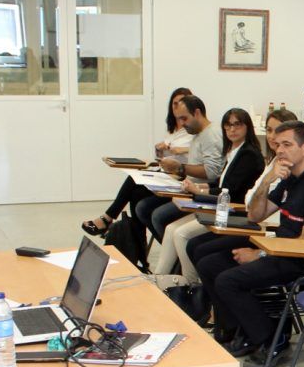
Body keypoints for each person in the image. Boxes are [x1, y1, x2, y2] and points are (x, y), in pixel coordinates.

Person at [195, 121, 304, 367]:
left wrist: (260, 254)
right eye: (278, 145)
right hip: (284, 250)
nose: (280, 150)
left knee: (228, 280)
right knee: (210, 264)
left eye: (287, 145)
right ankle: (242, 332)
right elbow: (255, 215)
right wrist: (267, 181)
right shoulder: (292, 177)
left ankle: (272, 339)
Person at [181, 108, 295, 289]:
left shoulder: (264, 159)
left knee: (199, 250)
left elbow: (247, 201)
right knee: (195, 246)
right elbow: (249, 197)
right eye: (269, 130)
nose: (273, 137)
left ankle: (198, 294)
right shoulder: (272, 161)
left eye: (278, 131)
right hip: (253, 220)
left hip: (262, 229)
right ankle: (201, 296)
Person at [151, 108, 266, 277]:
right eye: (228, 126)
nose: (232, 130)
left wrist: (199, 190)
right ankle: (159, 277)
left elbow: (232, 191)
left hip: (234, 211)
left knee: (181, 234)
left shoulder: (249, 154)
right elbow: (223, 182)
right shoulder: (234, 151)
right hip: (221, 206)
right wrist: (203, 187)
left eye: (237, 125)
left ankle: (191, 283)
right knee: (171, 229)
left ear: (247, 127)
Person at [81, 87, 193, 235]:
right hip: (165, 173)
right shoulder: (172, 130)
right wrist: (161, 150)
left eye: (181, 103)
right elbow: (164, 158)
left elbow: (194, 153)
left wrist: (177, 149)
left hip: (179, 178)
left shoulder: (193, 129)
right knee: (135, 192)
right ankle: (136, 245)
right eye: (175, 103)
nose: (178, 107)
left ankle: (107, 218)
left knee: (134, 181)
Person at [138, 95, 225, 245]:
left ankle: (174, 255)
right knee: (141, 204)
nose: (182, 124)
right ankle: (171, 252)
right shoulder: (198, 134)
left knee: (156, 215)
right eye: (179, 119)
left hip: (201, 193)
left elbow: (212, 173)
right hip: (189, 187)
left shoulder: (211, 135)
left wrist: (179, 168)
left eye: (184, 119)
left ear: (197, 113)